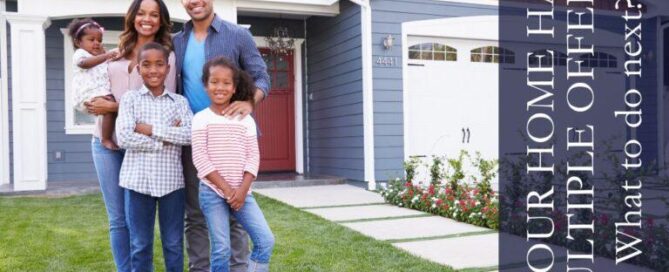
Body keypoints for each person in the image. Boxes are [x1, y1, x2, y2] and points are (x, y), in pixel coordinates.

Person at [174, 1, 271, 271]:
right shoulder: (177, 40)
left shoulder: (237, 35)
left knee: (235, 215)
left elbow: (262, 77)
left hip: (231, 136)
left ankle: (238, 268)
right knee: (195, 214)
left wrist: (250, 103)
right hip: (193, 139)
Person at [84, 1, 176, 271]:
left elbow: (161, 105)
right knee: (116, 218)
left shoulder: (165, 56)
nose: (146, 19)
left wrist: (112, 106)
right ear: (133, 17)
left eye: (154, 14)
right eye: (141, 13)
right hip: (103, 141)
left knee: (136, 219)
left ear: (161, 20)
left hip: (138, 145)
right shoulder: (115, 52)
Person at [192, 56, 274, 272]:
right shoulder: (201, 118)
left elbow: (253, 157)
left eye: (226, 83)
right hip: (212, 192)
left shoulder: (245, 119)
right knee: (222, 248)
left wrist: (242, 191)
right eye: (214, 82)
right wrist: (228, 191)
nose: (220, 87)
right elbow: (200, 159)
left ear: (235, 87)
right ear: (205, 84)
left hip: (242, 192)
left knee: (265, 240)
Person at [116, 42, 192, 272]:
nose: (153, 70)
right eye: (146, 65)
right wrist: (168, 137)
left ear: (168, 68)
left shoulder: (179, 102)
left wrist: (149, 129)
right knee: (140, 245)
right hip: (137, 183)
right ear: (138, 69)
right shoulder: (130, 99)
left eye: (159, 64)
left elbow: (189, 135)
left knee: (173, 244)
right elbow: (124, 138)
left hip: (172, 184)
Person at [67, 18, 119, 150]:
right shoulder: (80, 54)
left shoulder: (99, 57)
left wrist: (105, 55)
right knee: (109, 108)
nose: (96, 43)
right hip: (86, 94)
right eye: (91, 40)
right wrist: (106, 55)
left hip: (98, 92)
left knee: (110, 106)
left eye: (99, 40)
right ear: (78, 42)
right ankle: (105, 139)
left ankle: (107, 136)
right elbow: (84, 64)